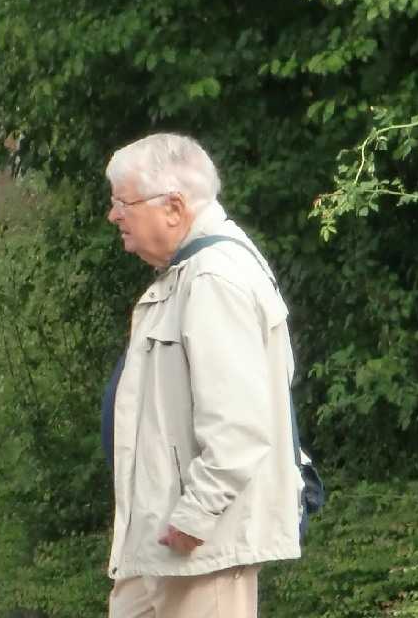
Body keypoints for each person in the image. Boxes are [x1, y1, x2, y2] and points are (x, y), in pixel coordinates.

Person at [104, 133, 302, 618]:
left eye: (123, 203)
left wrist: (196, 515)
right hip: (161, 543)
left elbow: (239, 423)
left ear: (173, 207)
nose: (113, 215)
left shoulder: (214, 278)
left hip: (198, 548)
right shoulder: (191, 272)